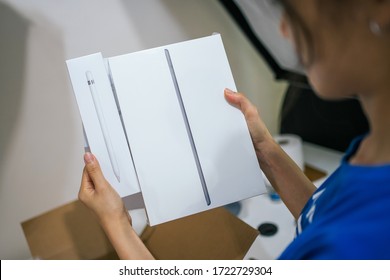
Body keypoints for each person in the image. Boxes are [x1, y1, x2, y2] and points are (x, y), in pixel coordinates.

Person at [79, 0, 390, 259]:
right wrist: (264, 150)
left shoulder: (359, 243)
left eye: (294, 9)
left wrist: (117, 223)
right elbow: (324, 217)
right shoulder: (374, 152)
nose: (283, 29)